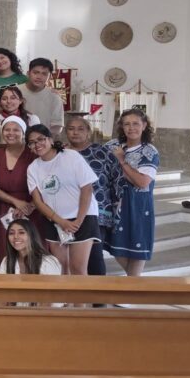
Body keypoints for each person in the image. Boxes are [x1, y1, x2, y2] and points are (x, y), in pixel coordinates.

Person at [26, 124, 101, 275]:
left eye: (41, 139)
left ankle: (80, 299)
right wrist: (60, 221)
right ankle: (65, 300)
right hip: (54, 220)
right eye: (32, 142)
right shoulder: (33, 168)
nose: (37, 144)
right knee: (60, 268)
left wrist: (78, 221)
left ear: (51, 139)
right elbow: (38, 202)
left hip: (82, 217)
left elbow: (87, 188)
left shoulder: (70, 156)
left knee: (78, 268)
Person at [105, 109, 159, 276]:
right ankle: (135, 284)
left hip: (137, 204)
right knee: (115, 245)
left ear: (144, 125)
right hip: (115, 203)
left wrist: (122, 161)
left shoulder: (149, 151)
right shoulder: (111, 146)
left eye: (136, 123)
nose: (131, 128)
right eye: (127, 124)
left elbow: (142, 182)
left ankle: (134, 285)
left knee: (137, 246)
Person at [65, 115, 120, 276]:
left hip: (97, 212)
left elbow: (116, 178)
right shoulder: (61, 153)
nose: (75, 133)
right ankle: (76, 297)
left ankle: (98, 298)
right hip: (69, 213)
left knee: (94, 257)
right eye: (71, 129)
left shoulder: (102, 152)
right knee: (72, 260)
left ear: (88, 132)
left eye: (80, 129)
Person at [0, 116, 46, 244]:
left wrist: (29, 206)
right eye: (7, 130)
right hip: (7, 206)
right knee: (9, 246)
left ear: (23, 132)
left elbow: (44, 185)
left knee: (32, 245)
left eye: (16, 130)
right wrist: (16, 202)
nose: (11, 133)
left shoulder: (34, 154)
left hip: (32, 205)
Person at [19, 58, 66, 138]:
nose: (39, 77)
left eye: (44, 74)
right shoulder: (15, 92)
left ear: (50, 77)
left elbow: (57, 127)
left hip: (43, 142)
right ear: (28, 73)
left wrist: (39, 138)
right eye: (35, 72)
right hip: (17, 141)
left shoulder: (54, 97)